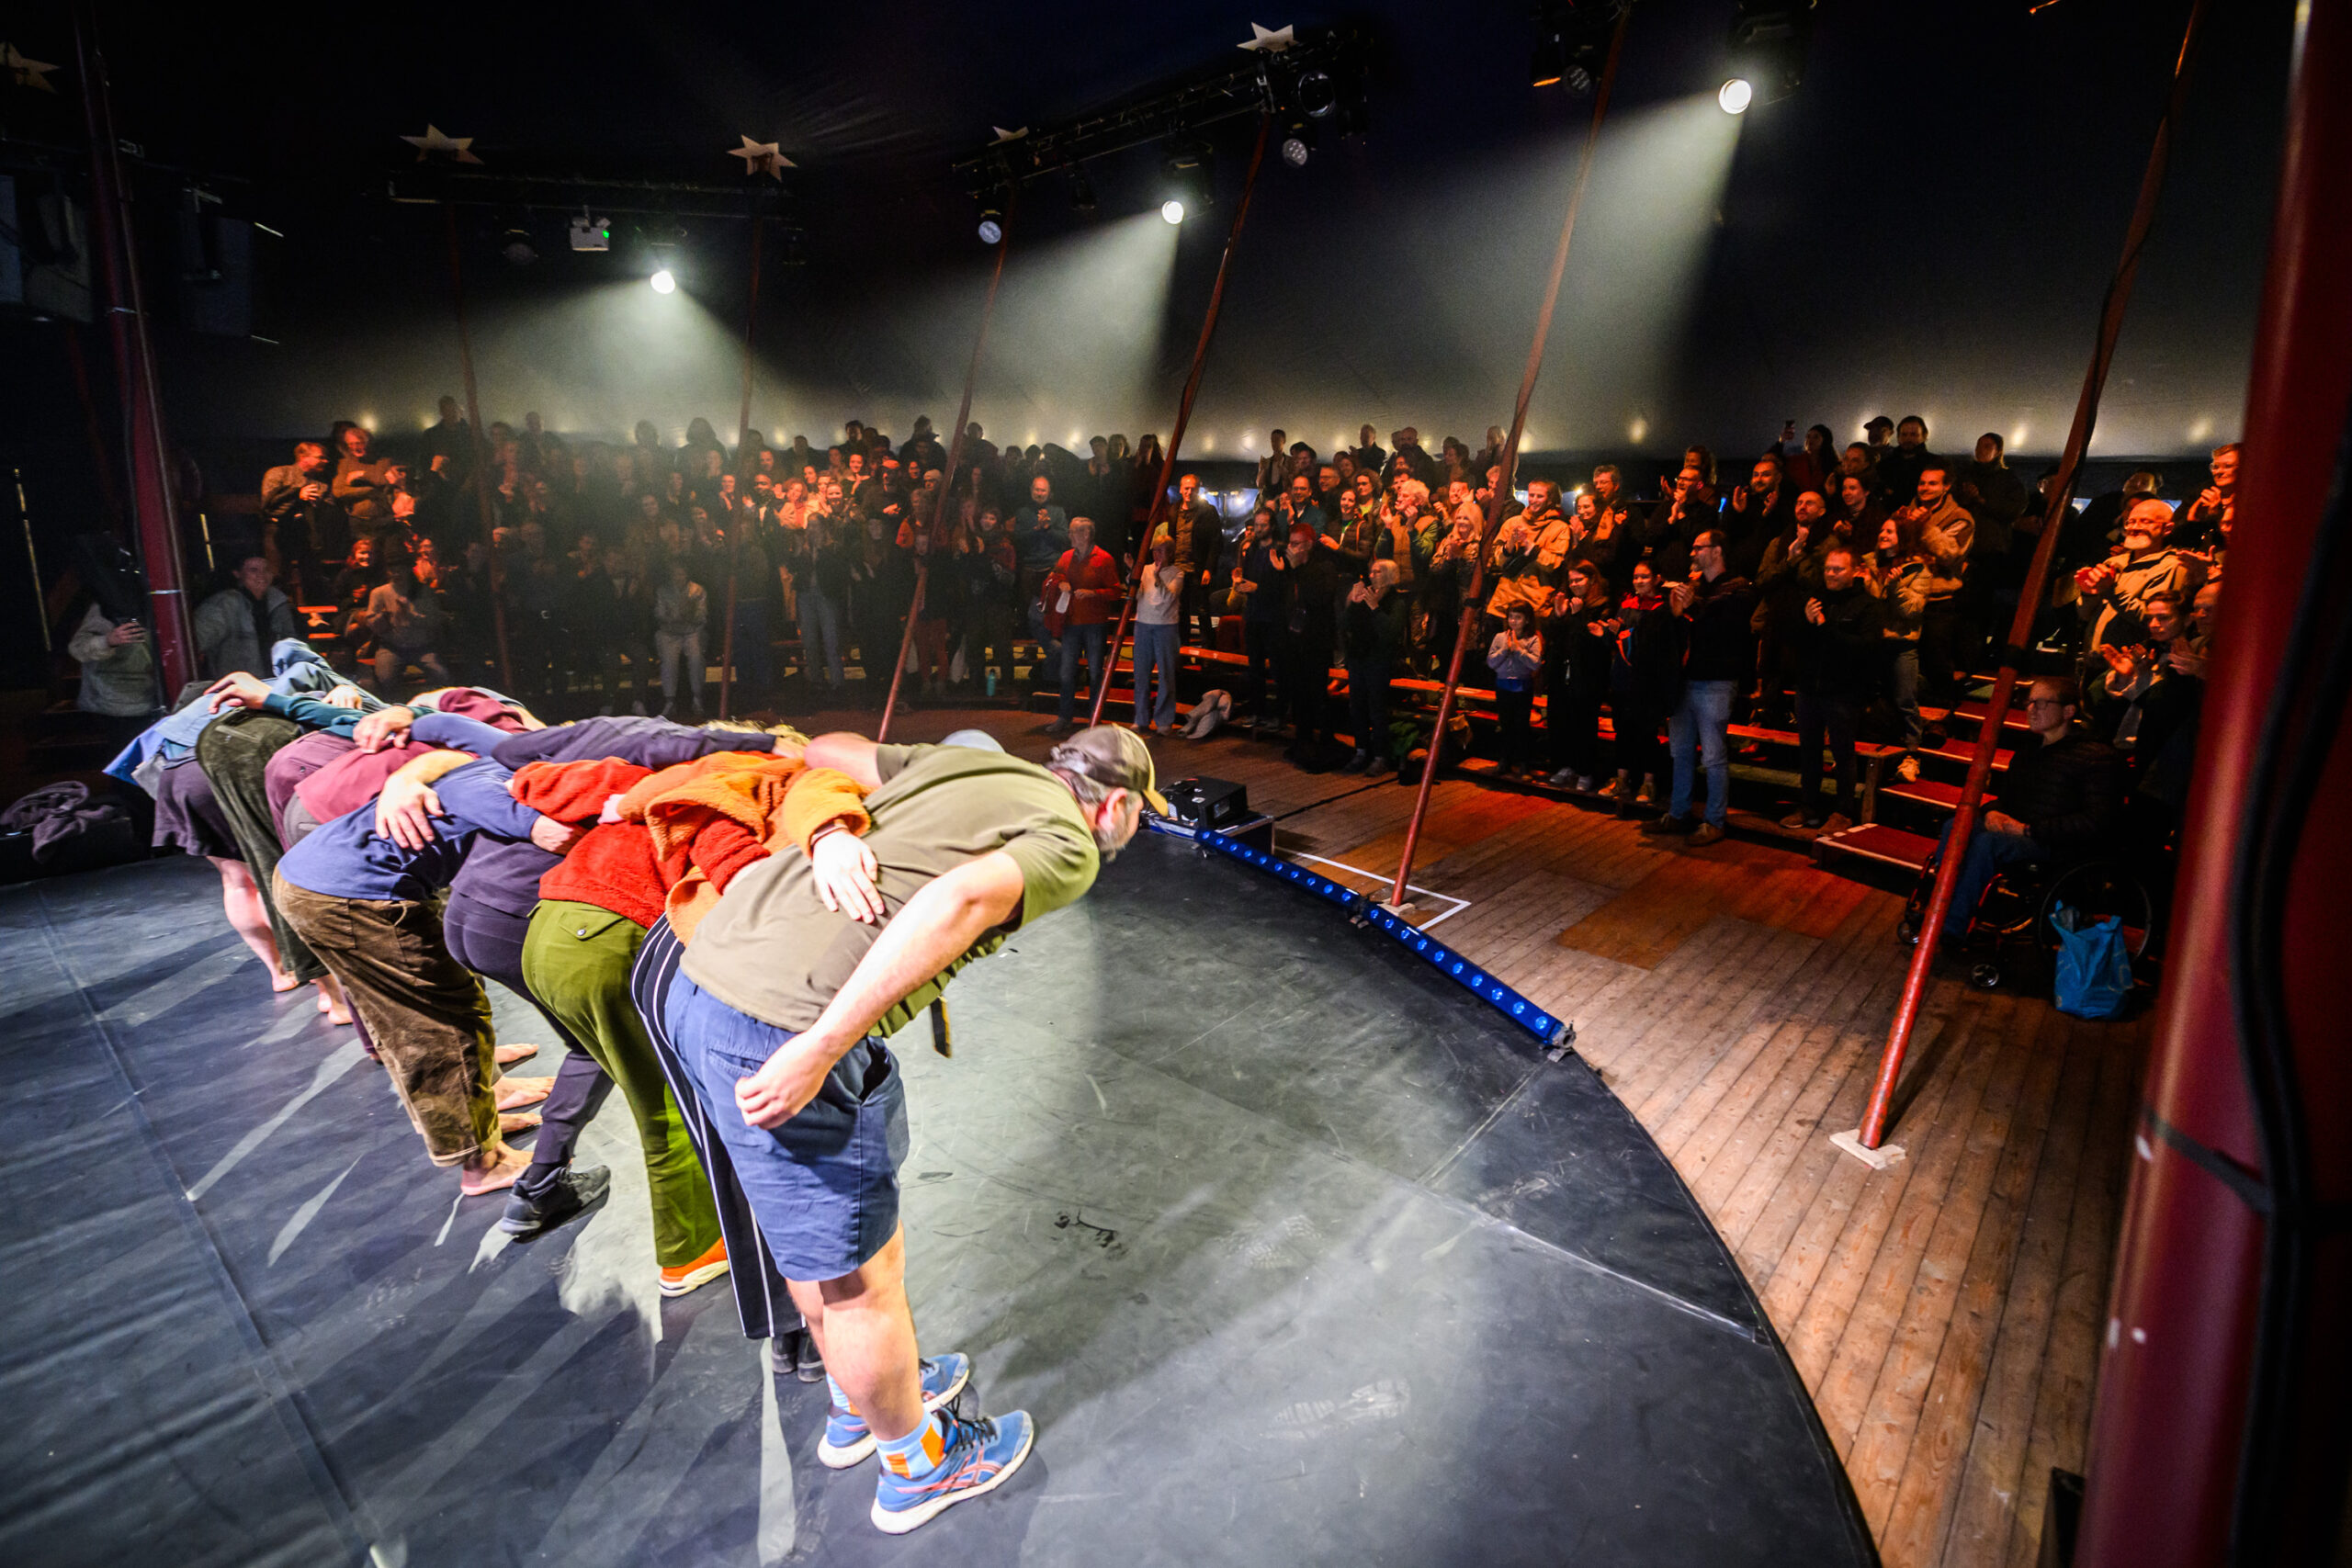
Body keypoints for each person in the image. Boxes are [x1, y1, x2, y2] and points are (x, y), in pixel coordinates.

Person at [662, 725, 1161, 1534]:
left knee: (813, 1243)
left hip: (707, 970)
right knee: (861, 1275)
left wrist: (828, 837)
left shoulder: (974, 758)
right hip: (781, 1025)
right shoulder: (1070, 840)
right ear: (1114, 805)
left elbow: (825, 751)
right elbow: (954, 901)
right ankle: (918, 1466)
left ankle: (859, 1401)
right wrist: (820, 1045)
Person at [1909, 676, 2120, 951]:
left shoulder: (2095, 758)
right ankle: (1936, 905)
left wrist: (2030, 830)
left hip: (2055, 844)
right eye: (2030, 701)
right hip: (2017, 831)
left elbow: (2096, 821)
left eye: (2042, 703)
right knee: (1956, 826)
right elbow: (2005, 799)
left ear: (2068, 712)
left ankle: (1951, 927)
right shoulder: (2029, 750)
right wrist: (1992, 813)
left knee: (1987, 843)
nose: (2032, 709)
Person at [1646, 529, 1752, 846]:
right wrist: (1676, 613)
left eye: (1698, 548)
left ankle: (1715, 821)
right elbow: (1675, 633)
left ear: (1717, 551)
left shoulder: (1738, 589)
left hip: (1716, 681)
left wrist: (1690, 610)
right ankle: (1679, 813)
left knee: (1714, 755)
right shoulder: (1693, 589)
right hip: (1685, 680)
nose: (1692, 553)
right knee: (1680, 752)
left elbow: (1725, 633)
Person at [1781, 546, 1881, 831]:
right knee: (1808, 751)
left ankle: (1843, 812)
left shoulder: (1867, 606)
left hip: (1843, 692)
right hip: (1809, 688)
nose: (1832, 574)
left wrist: (1824, 628)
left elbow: (1864, 648)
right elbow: (1793, 640)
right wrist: (1806, 622)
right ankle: (1808, 807)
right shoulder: (1815, 601)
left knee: (1842, 753)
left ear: (1855, 572)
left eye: (1838, 569)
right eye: (1828, 568)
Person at [1602, 558, 1679, 812]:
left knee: (1647, 733)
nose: (1639, 582)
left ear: (1657, 578)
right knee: (1622, 729)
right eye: (1636, 577)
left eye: (1644, 577)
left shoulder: (1663, 608)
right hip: (1624, 677)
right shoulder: (1626, 605)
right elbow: (1617, 638)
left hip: (1648, 681)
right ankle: (1622, 778)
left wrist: (1627, 635)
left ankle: (1649, 782)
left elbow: (1660, 645)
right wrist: (1610, 633)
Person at [1273, 520, 1342, 767]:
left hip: (1316, 642)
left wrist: (1297, 571)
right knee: (1298, 692)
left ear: (1309, 545)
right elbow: (1285, 601)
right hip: (1294, 641)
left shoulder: (1324, 567)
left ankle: (1323, 741)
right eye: (1289, 543)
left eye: (1296, 544)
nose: (1291, 548)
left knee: (1316, 693)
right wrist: (1286, 572)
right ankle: (1302, 740)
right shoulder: (1292, 568)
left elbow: (1318, 598)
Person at [1041, 516, 1120, 734]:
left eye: (1073, 532)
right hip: (1072, 623)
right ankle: (1064, 716)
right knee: (1066, 672)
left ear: (1086, 534)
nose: (1070, 536)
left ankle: (1093, 718)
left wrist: (1093, 593)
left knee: (1095, 672)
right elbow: (1053, 577)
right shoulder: (1066, 557)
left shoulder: (1104, 559)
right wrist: (1060, 582)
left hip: (1095, 624)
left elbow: (1116, 591)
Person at [1542, 562, 1612, 792]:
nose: (1575, 585)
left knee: (1584, 723)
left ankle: (1586, 770)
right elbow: (1553, 637)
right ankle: (1565, 765)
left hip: (1588, 674)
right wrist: (1558, 615)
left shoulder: (1603, 605)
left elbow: (1593, 642)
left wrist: (1578, 615)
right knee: (1561, 720)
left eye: (1579, 580)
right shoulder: (1568, 604)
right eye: (1571, 581)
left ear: (1592, 580)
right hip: (1562, 672)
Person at [1341, 558, 1408, 774]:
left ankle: (1381, 756)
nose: (1372, 576)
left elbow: (1391, 633)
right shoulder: (1365, 595)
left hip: (1379, 661)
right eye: (1371, 572)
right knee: (1357, 706)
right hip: (1358, 658)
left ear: (1389, 576)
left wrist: (1375, 609)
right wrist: (1352, 602)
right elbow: (1344, 624)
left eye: (1377, 572)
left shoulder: (1396, 602)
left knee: (1376, 708)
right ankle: (1361, 751)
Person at [259, 440, 344, 602]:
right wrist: (297, 494)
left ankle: (315, 617)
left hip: (306, 536)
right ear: (304, 457)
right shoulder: (280, 473)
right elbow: (268, 504)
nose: (325, 461)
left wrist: (319, 507)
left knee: (312, 577)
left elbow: (332, 513)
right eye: (321, 457)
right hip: (278, 531)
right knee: (277, 576)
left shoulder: (322, 484)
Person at [194, 555, 301, 680]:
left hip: (276, 688)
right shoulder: (224, 604)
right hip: (238, 690)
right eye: (253, 570)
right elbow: (197, 642)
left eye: (266, 569)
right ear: (237, 574)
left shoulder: (279, 603)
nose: (261, 575)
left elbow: (294, 645)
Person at [68, 603, 159, 719]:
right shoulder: (107, 604)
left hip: (155, 702)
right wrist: (107, 641)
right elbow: (77, 648)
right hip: (110, 705)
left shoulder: (168, 601)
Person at [1131, 535, 1182, 733]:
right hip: (1142, 624)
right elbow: (1135, 593)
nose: (1156, 554)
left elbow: (1168, 597)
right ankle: (1141, 717)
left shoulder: (1177, 573)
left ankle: (1164, 721)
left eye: (1160, 550)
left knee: (1166, 675)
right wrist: (1131, 572)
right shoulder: (1144, 570)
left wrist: (1159, 577)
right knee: (1141, 674)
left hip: (1166, 626)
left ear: (1169, 552)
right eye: (1154, 550)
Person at [1486, 603, 1543, 779]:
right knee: (1505, 724)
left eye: (1518, 617)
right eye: (1511, 617)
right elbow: (1491, 662)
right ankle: (1505, 760)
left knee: (1521, 726)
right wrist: (1505, 650)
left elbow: (1535, 663)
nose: (1514, 621)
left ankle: (1524, 763)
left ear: (1526, 620)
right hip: (1503, 686)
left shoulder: (1533, 639)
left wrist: (1518, 650)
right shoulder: (1500, 637)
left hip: (1522, 687)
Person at [655, 557, 709, 717]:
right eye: (676, 574)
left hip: (691, 631)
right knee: (669, 661)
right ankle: (670, 700)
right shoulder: (663, 591)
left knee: (696, 657)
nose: (679, 577)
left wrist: (689, 614)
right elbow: (659, 613)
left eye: (682, 574)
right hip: (670, 632)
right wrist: (673, 617)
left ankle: (697, 698)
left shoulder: (698, 591)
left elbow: (702, 616)